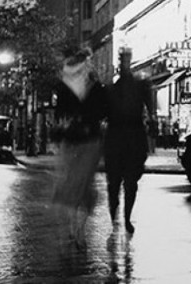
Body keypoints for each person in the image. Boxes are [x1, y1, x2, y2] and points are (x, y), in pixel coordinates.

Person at [51, 46, 107, 250]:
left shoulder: (94, 89)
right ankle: (75, 229)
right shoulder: (69, 88)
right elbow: (60, 115)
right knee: (77, 186)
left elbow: (102, 111)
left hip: (84, 141)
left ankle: (76, 229)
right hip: (79, 141)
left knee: (79, 186)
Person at [105, 47, 156, 234]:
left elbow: (149, 107)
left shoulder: (138, 86)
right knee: (115, 184)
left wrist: (152, 119)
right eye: (122, 60)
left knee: (129, 183)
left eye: (126, 59)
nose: (124, 63)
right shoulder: (112, 89)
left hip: (130, 138)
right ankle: (117, 217)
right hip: (119, 138)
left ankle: (125, 217)